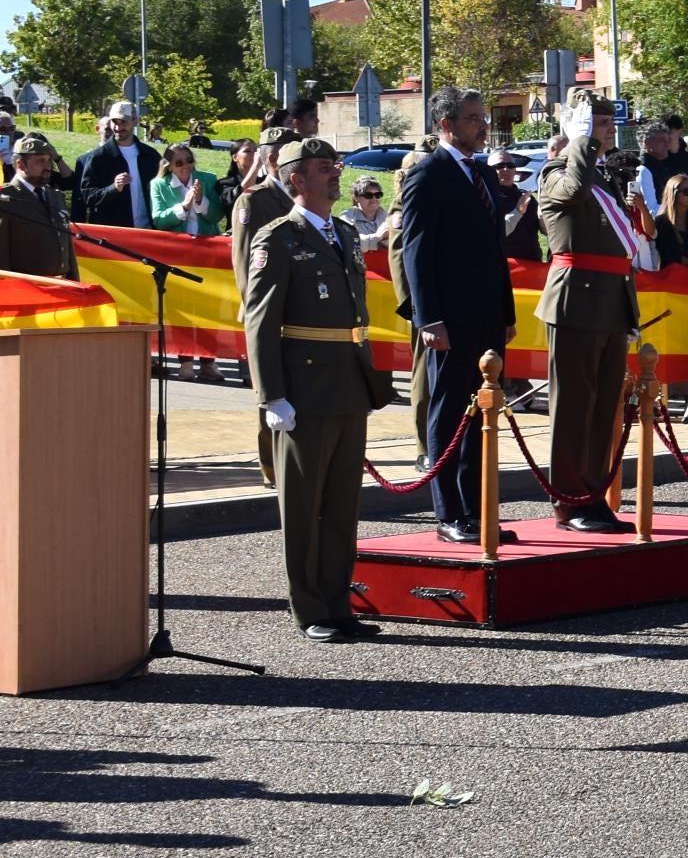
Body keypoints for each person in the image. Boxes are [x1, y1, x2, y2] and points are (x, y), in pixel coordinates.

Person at [241, 137, 396, 643]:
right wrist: (271, 395)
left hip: (348, 381)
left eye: (335, 166)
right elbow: (260, 323)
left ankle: (338, 600)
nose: (335, 174)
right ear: (296, 180)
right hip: (304, 387)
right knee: (304, 506)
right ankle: (310, 607)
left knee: (342, 502)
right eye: (322, 168)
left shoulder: (347, 234)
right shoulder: (277, 238)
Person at [392, 88, 520, 546]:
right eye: (472, 118)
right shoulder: (428, 174)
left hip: (486, 314)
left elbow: (493, 250)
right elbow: (417, 253)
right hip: (450, 318)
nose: (482, 126)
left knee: (482, 413)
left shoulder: (481, 173)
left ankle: (477, 509)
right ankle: (449, 513)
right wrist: (428, 319)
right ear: (446, 124)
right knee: (448, 412)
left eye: (482, 117)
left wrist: (505, 310)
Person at [535, 96, 643, 534]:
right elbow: (573, 192)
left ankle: (593, 495)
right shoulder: (558, 173)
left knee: (603, 409)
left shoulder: (600, 176)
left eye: (607, 121)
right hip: (574, 304)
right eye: (597, 122)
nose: (607, 128)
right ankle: (568, 500)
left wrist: (629, 309)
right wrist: (580, 141)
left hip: (609, 304)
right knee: (573, 408)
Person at [0, 132, 78, 277]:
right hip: (27, 292)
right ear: (20, 164)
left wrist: (75, 283)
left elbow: (68, 252)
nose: (48, 167)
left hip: (64, 287)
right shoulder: (5, 200)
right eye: (40, 161)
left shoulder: (55, 196)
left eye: (49, 161)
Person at [74, 103, 160, 230]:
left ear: (135, 121)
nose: (118, 127)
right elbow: (87, 197)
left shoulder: (150, 155)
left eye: (123, 122)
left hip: (147, 232)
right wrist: (113, 188)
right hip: (114, 235)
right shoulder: (98, 157)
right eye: (114, 122)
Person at [149, 142, 223, 237]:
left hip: (208, 243)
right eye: (179, 163)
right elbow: (159, 221)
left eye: (189, 160)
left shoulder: (209, 179)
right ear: (169, 166)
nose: (186, 165)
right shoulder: (158, 184)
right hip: (177, 245)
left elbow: (217, 216)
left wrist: (201, 201)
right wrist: (183, 207)